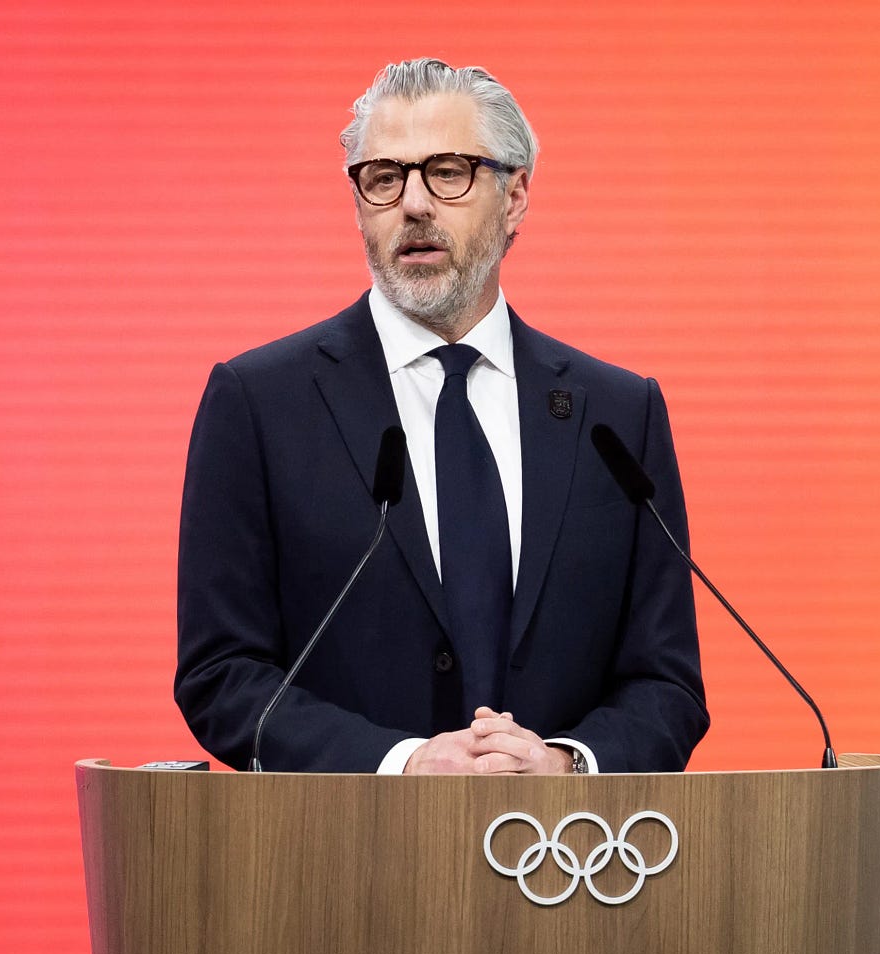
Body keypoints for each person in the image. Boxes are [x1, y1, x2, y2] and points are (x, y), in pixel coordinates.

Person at [174, 59, 707, 775]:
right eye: (384, 178)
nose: (414, 205)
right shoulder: (258, 403)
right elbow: (221, 675)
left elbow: (667, 683)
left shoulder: (617, 414)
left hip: (566, 843)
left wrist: (568, 765)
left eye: (447, 172)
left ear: (514, 196)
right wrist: (401, 764)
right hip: (348, 844)